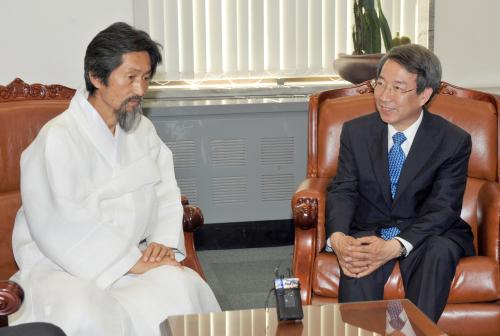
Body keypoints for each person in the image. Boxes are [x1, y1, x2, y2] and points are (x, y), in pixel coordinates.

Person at [9, 22, 220, 336]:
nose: (141, 90)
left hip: (135, 256)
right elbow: (60, 221)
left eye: (146, 78)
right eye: (131, 77)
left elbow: (165, 192)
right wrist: (128, 263)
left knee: (181, 289)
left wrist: (161, 244)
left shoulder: (142, 131)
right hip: (64, 266)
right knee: (85, 312)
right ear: (96, 77)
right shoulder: (57, 139)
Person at [325, 44, 475, 323]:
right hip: (369, 228)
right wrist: (338, 237)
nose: (384, 96)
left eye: (397, 88)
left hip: (427, 234)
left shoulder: (452, 141)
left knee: (438, 253)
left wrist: (395, 245)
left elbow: (443, 209)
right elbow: (343, 188)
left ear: (424, 95)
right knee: (358, 257)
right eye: (380, 84)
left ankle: (413, 332)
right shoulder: (356, 132)